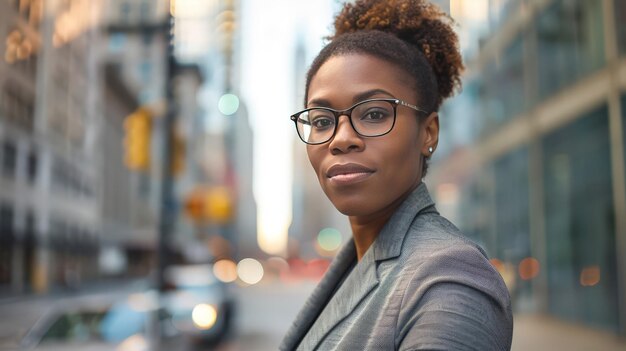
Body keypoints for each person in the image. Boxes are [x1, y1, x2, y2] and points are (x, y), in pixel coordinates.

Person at [280, 0, 513, 350]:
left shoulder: (451, 281)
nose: (341, 139)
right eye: (322, 121)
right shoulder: (355, 266)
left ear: (428, 133)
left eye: (373, 114)